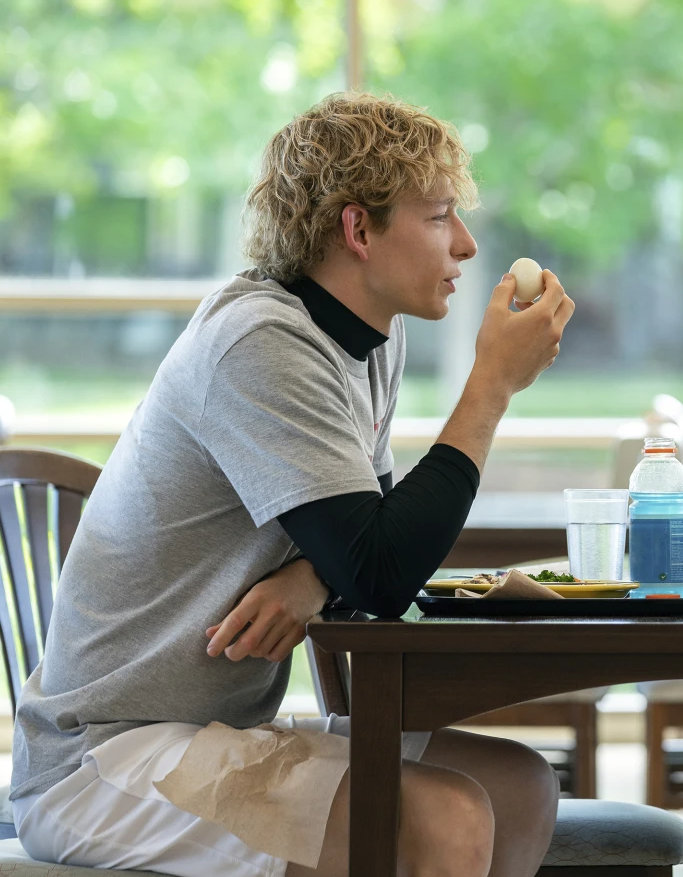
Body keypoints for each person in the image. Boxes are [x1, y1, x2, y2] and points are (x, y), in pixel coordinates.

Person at [10, 93, 575, 877]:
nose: (469, 246)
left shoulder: (373, 338)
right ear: (358, 230)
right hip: (106, 757)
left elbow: (363, 542)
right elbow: (380, 572)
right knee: (444, 817)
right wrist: (491, 387)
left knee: (520, 784)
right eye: (441, 216)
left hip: (212, 729)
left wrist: (312, 579)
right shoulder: (259, 342)